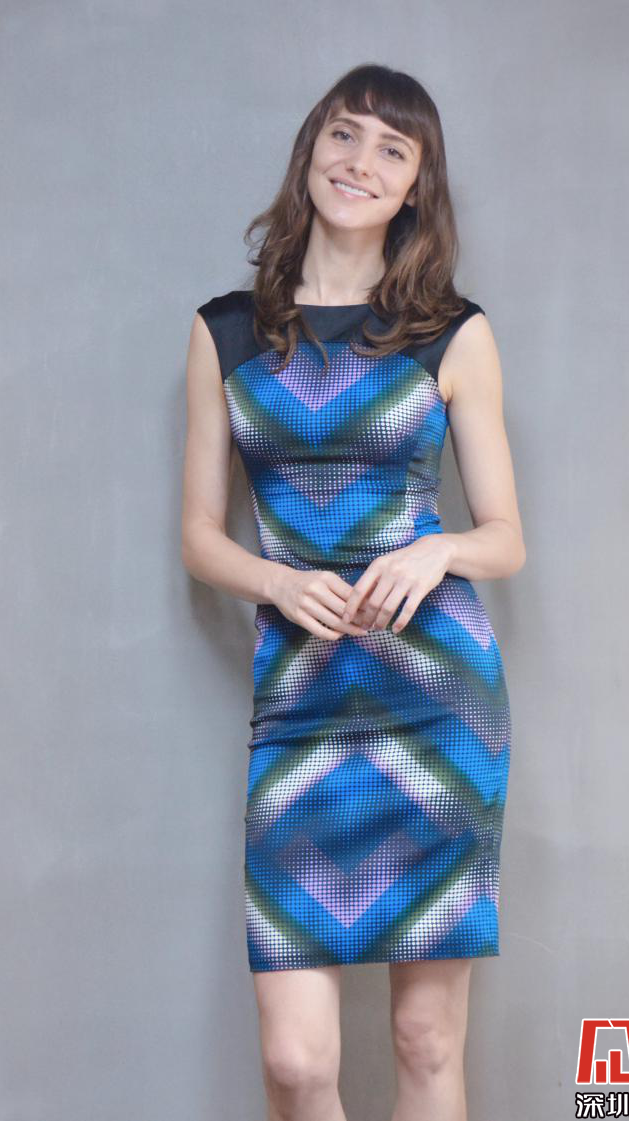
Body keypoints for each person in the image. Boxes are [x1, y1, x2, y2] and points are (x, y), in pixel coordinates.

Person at [182, 62, 525, 1121]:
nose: (360, 163)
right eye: (343, 135)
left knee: (426, 1038)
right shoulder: (227, 331)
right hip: (302, 703)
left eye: (392, 149)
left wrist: (439, 552)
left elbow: (506, 538)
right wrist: (278, 580)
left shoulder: (452, 333)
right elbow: (198, 536)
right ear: (310, 152)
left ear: (417, 184)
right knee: (295, 1062)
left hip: (436, 707)